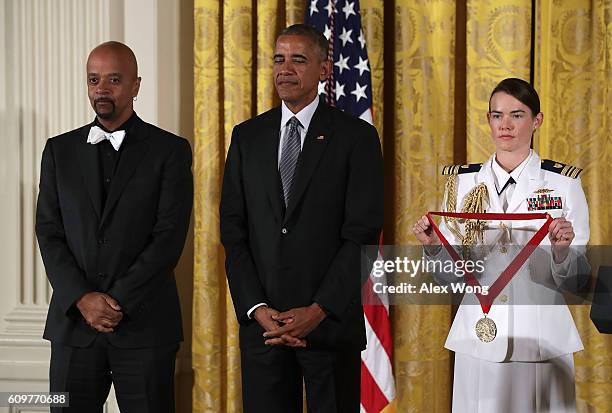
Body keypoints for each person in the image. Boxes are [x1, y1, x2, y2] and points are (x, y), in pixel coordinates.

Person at [220, 24, 383, 413]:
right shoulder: (247, 137)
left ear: (324, 70)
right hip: (264, 331)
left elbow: (361, 235)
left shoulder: (355, 137)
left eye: (298, 59)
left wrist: (318, 310)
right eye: (279, 59)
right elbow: (233, 232)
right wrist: (258, 309)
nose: (285, 69)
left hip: (327, 327)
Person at [412, 78, 589, 412]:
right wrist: (434, 246)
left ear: (536, 120)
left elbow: (576, 280)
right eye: (497, 115)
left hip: (540, 341)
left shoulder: (563, 184)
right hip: (478, 339)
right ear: (488, 120)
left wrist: (563, 252)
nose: (505, 124)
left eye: (517, 115)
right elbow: (451, 279)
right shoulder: (462, 183)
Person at [35, 41, 193, 413]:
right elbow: (49, 231)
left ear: (136, 86)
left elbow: (168, 238)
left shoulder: (170, 151)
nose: (101, 89)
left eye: (113, 80)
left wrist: (115, 300)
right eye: (94, 80)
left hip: (145, 326)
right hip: (74, 326)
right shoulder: (59, 150)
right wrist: (82, 298)